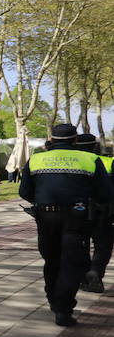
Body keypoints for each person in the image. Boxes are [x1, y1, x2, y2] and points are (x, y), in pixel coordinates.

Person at [20, 124, 111, 326]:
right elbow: (105, 193)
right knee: (72, 263)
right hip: (76, 218)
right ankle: (63, 309)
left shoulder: (35, 159)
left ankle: (53, 300)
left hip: (45, 217)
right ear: (74, 140)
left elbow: (24, 192)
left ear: (51, 140)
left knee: (52, 260)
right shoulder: (89, 159)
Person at [80, 139, 114, 293]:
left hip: (77, 211)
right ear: (95, 146)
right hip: (103, 211)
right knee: (103, 245)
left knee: (80, 244)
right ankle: (95, 272)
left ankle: (83, 277)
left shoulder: (72, 162)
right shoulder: (108, 161)